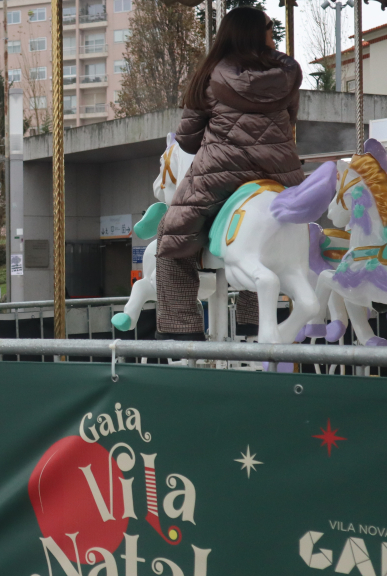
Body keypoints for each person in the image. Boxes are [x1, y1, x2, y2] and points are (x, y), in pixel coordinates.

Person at [154, 7, 301, 341]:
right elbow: (291, 123)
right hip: (281, 174)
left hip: (220, 172)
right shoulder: (287, 75)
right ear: (255, 32)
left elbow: (189, 140)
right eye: (269, 26)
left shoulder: (209, 75)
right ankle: (252, 321)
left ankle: (181, 329)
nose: (273, 32)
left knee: (170, 237)